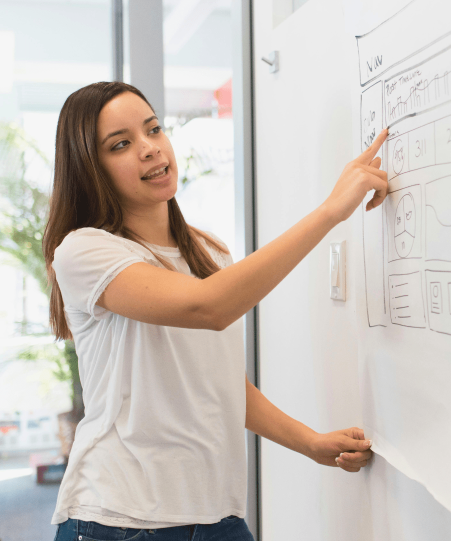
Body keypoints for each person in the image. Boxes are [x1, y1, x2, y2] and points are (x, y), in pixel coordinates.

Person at [44, 81, 389, 541]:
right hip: (120, 518)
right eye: (121, 144)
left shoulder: (208, 253)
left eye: (153, 129)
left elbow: (217, 383)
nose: (149, 149)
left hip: (216, 516)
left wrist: (310, 442)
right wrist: (330, 212)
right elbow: (209, 307)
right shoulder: (84, 251)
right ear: (91, 168)